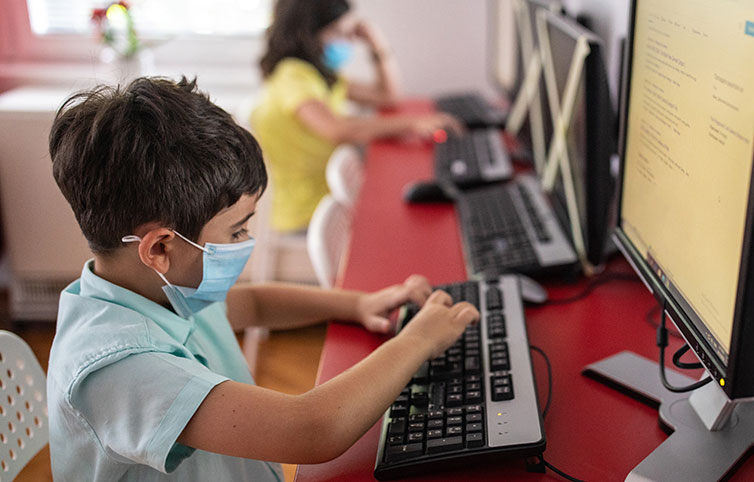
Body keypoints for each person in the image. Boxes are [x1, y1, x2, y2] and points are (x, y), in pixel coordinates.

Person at [46, 77, 478, 481]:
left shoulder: (157, 289)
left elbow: (252, 304)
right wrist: (419, 340)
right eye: (236, 230)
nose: (245, 241)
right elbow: (313, 429)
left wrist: (356, 304)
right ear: (159, 248)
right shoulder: (117, 369)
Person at [252, 0, 461, 232]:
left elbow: (388, 96)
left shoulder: (320, 75)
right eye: (340, 33)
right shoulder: (293, 76)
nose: (348, 41)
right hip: (312, 210)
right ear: (309, 34)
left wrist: (377, 44)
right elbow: (337, 129)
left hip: (334, 195)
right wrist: (413, 124)